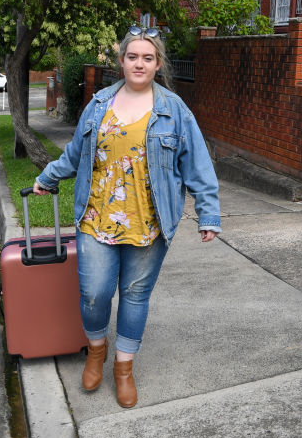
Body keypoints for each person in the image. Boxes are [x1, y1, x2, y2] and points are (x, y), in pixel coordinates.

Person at [32, 25, 220, 408]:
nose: (139, 63)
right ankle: (97, 351)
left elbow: (197, 163)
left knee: (135, 296)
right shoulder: (99, 103)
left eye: (147, 58)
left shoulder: (174, 110)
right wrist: (47, 178)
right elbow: (74, 154)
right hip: (97, 217)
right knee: (94, 293)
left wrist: (208, 213)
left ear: (157, 64)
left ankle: (123, 369)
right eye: (132, 56)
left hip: (148, 223)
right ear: (121, 61)